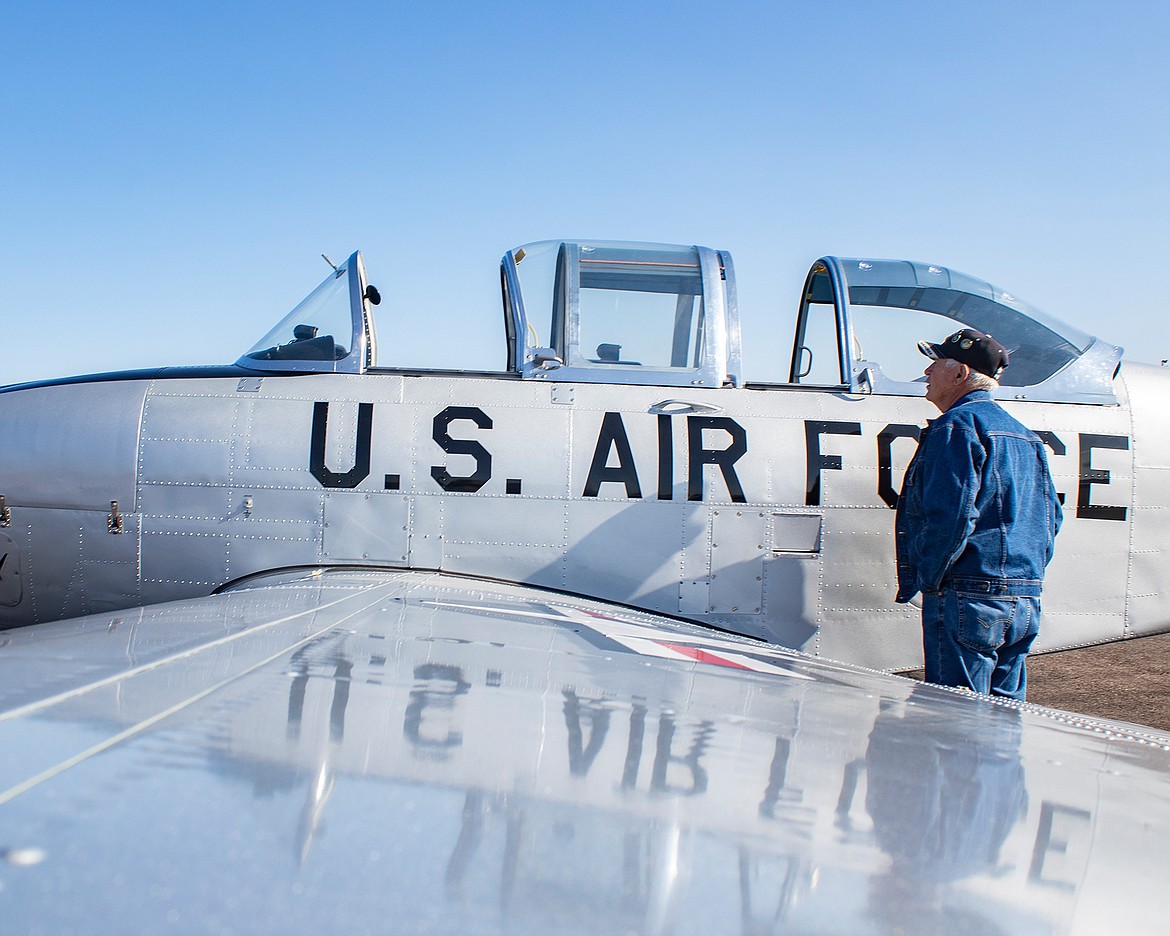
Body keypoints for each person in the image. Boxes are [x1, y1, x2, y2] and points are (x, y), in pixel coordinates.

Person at [895, 327, 1062, 700]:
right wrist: (1024, 578)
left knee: (957, 722)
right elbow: (1051, 518)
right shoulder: (1026, 436)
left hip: (968, 594)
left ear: (959, 374)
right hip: (1023, 597)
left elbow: (951, 516)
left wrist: (931, 578)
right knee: (1003, 722)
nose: (926, 373)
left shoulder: (956, 428)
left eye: (934, 364)